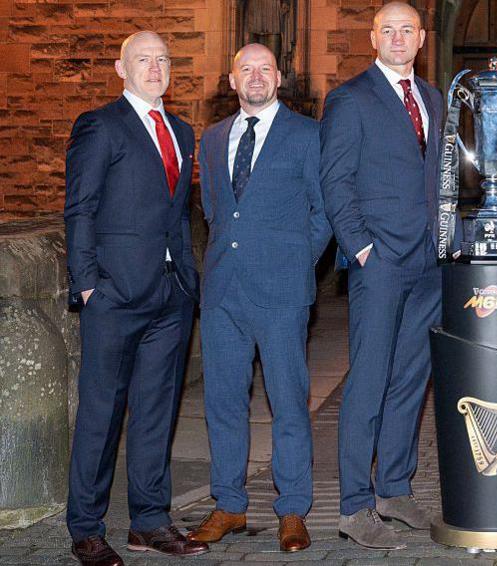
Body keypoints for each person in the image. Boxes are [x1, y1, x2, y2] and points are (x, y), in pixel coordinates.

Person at [63, 30, 208, 566]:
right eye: (142, 60)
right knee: (101, 414)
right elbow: (79, 208)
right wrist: (87, 284)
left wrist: (186, 282)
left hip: (170, 297)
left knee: (155, 412)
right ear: (121, 69)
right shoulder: (101, 126)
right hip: (114, 296)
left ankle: (149, 521)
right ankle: (85, 528)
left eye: (162, 59)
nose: (155, 67)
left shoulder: (183, 131)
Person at [185, 43, 330, 552]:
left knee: (288, 402)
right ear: (232, 79)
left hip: (282, 291)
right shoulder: (214, 137)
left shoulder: (307, 135)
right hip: (224, 290)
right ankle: (230, 505)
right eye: (246, 69)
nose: (255, 76)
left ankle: (292, 508)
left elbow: (323, 212)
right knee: (224, 403)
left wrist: (295, 261)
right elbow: (214, 211)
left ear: (278, 77)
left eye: (264, 68)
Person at [319, 1, 443, 550]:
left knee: (411, 380)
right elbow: (336, 181)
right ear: (374, 37)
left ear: (421, 38)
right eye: (388, 29)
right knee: (367, 381)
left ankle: (394, 488)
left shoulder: (433, 99)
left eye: (407, 30)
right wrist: (362, 249)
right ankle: (354, 505)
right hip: (382, 263)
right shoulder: (350, 99)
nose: (398, 38)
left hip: (428, 264)